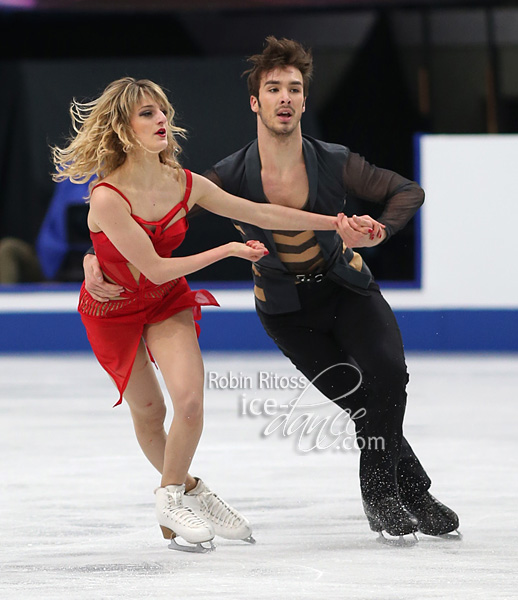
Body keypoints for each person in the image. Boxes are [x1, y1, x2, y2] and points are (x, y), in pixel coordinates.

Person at [84, 40, 460, 542]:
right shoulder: (216, 177)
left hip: (328, 290)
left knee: (383, 377)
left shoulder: (317, 163)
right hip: (256, 310)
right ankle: (189, 490)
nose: (285, 97)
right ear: (255, 102)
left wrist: (355, 226)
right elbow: (137, 242)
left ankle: (390, 493)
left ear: (305, 100)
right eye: (273, 88)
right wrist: (94, 259)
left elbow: (280, 212)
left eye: (295, 89)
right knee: (354, 402)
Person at [54, 76, 346, 552]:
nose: (161, 119)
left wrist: (334, 224)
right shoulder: (108, 196)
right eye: (146, 113)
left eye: (162, 110)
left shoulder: (185, 184)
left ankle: (169, 498)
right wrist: (228, 248)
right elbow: (151, 266)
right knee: (151, 412)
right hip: (114, 310)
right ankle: (191, 489)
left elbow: (262, 212)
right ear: (123, 127)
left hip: (166, 302)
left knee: (189, 403)